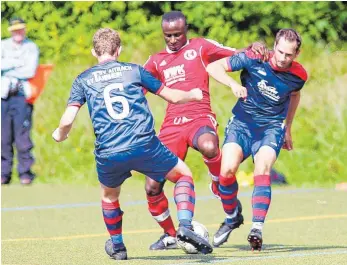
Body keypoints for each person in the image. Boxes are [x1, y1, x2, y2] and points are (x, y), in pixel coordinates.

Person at [52, 28, 213, 260]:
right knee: (183, 175)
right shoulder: (134, 70)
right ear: (119, 50)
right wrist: (195, 95)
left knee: (109, 196)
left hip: (109, 151)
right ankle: (185, 225)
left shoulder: (83, 79)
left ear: (93, 51)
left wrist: (60, 134)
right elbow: (174, 97)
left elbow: (68, 119)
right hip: (144, 144)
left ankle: (118, 247)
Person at [143, 10, 268, 250]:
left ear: (186, 30)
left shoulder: (201, 47)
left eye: (177, 34)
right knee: (152, 185)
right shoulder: (155, 60)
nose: (172, 40)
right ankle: (170, 234)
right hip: (171, 126)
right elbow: (138, 90)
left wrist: (255, 47)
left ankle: (216, 183)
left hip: (200, 117)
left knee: (210, 146)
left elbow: (236, 54)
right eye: (167, 36)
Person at [206, 28, 307, 250]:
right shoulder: (254, 57)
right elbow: (213, 67)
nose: (282, 58)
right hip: (243, 123)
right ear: (274, 47)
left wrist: (287, 128)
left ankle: (257, 229)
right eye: (279, 52)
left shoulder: (299, 76)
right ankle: (232, 217)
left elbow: (294, 95)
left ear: (296, 54)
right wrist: (233, 84)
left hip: (271, 128)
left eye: (288, 55)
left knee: (262, 169)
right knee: (227, 172)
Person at [1, 17, 39, 185]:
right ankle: (4, 173)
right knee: (4, 136)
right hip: (4, 96)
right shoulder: (3, 45)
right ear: (11, 30)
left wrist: (8, 68)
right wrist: (17, 63)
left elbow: (29, 71)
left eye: (21, 29)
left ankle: (25, 172)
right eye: (15, 29)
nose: (19, 32)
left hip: (22, 96)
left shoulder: (31, 47)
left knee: (23, 135)